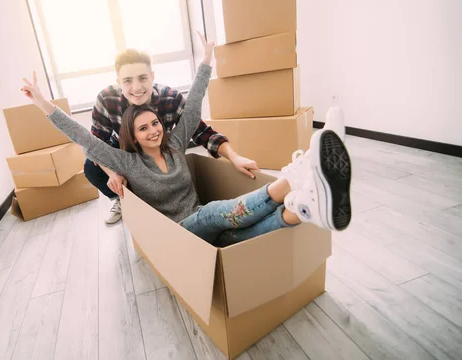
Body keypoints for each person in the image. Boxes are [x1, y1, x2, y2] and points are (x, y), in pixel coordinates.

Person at [20, 34, 352, 246]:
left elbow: (193, 107)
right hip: (178, 233)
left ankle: (305, 209)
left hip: (202, 216)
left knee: (236, 236)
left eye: (155, 123)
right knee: (212, 217)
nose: (153, 130)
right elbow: (83, 138)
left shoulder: (175, 144)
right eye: (143, 129)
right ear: (132, 138)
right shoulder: (128, 161)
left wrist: (206, 60)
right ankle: (292, 179)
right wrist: (40, 101)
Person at [86, 45, 259, 224]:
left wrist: (235, 157)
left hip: (157, 149)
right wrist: (113, 174)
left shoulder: (170, 98)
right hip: (122, 149)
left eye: (143, 78)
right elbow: (96, 142)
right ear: (118, 81)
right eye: (128, 81)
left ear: (152, 76)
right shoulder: (107, 99)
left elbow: (201, 131)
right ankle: (121, 199)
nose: (136, 87)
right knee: (91, 167)